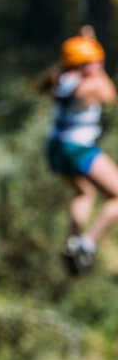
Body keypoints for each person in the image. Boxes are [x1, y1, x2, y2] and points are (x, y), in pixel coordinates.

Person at [42, 26, 118, 275]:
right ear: (85, 64)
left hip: (56, 149)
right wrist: (99, 67)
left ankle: (73, 240)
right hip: (77, 148)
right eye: (95, 61)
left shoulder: (62, 80)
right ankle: (88, 244)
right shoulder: (87, 87)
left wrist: (90, 50)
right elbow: (110, 94)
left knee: (84, 192)